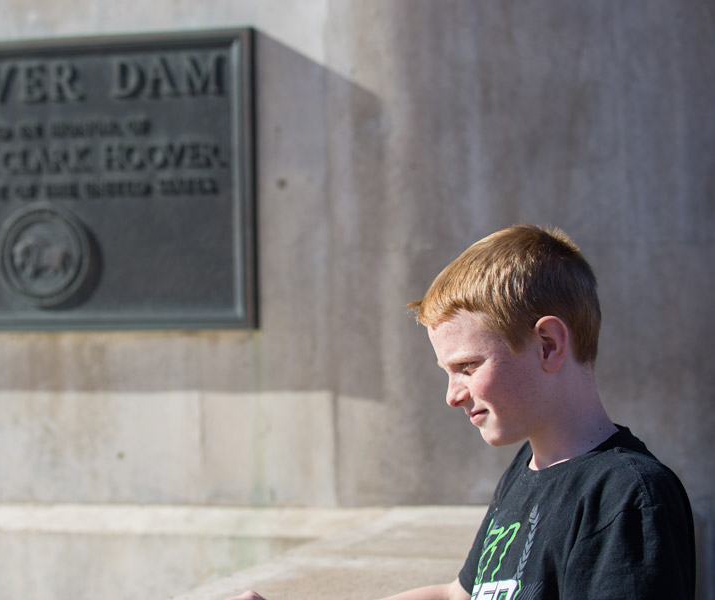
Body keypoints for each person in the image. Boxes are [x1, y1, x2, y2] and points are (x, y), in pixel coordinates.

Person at [226, 225, 696, 600]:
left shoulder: (626, 497)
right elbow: (459, 595)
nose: (452, 395)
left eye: (468, 366)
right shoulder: (526, 471)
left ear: (549, 345)